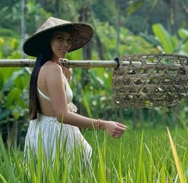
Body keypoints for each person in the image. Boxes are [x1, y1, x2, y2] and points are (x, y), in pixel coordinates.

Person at [23, 17, 127, 163]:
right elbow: (62, 115)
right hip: (55, 135)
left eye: (68, 40)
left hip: (45, 130)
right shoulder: (52, 69)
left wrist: (67, 78)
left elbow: (56, 103)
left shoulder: (47, 67)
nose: (66, 44)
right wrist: (103, 125)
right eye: (60, 38)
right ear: (48, 41)